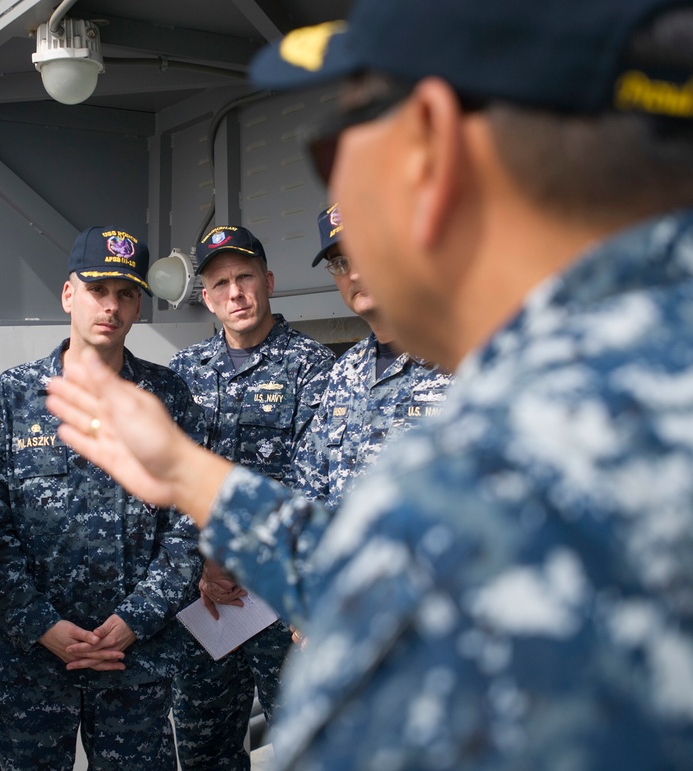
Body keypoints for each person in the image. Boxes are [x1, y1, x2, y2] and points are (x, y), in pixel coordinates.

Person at [44, 1, 693, 768]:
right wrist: (191, 477)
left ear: (428, 152)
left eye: (331, 152)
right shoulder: (619, 367)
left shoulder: (516, 454)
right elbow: (391, 570)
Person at [0, 226, 205, 770]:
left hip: (133, 662)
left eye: (126, 293)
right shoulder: (12, 397)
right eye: (98, 290)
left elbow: (191, 530)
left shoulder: (169, 399)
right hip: (30, 664)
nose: (110, 307)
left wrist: (135, 619)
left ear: (139, 304)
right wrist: (44, 627)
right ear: (69, 294)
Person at [168, 224, 334, 769]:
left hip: (283, 597)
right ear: (207, 299)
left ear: (268, 281)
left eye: (245, 278)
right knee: (202, 748)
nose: (235, 293)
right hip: (206, 597)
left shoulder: (315, 369)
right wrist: (205, 561)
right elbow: (171, 478)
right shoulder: (184, 373)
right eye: (220, 284)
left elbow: (315, 484)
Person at [288, 203, 451, 511]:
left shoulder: (459, 359)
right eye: (340, 263)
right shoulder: (345, 372)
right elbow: (309, 486)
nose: (356, 274)